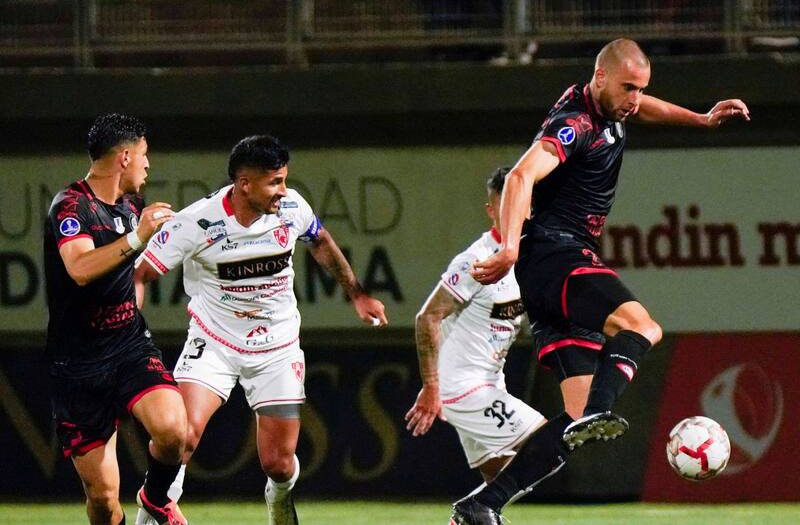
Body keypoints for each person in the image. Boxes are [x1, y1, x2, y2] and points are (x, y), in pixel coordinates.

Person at [452, 38, 750, 524]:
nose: (635, 99)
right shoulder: (576, 124)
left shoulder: (611, 105)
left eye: (641, 89)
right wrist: (508, 246)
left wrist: (698, 118)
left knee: (570, 421)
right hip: (555, 254)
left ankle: (481, 505)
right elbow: (520, 178)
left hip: (547, 270)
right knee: (642, 327)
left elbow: (645, 108)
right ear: (601, 77)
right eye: (628, 88)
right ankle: (603, 410)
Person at [133, 134, 388, 525]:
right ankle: (153, 513)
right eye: (275, 182)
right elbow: (141, 274)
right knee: (181, 436)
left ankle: (280, 499)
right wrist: (130, 330)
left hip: (277, 346)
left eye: (284, 179)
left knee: (279, 464)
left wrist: (357, 294)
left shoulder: (291, 208)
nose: (283, 191)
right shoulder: (196, 222)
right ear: (244, 184)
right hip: (214, 341)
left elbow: (320, 240)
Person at [404, 166, 604, 486]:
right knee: (548, 444)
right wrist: (432, 387)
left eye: (518, 201)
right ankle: (471, 513)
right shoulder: (478, 260)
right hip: (465, 388)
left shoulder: (532, 259)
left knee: (500, 480)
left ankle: (472, 516)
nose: (511, 211)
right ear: (491, 211)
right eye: (502, 204)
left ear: (529, 206)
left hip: (491, 384)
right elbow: (427, 318)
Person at [44, 113, 189, 525]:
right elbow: (81, 268)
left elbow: (130, 268)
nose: (148, 165)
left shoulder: (132, 207)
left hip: (128, 346)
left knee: (173, 428)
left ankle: (156, 496)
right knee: (104, 500)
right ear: (125, 157)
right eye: (144, 155)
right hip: (77, 366)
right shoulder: (70, 206)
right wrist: (139, 237)